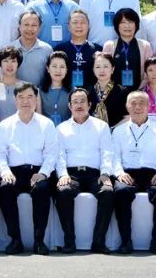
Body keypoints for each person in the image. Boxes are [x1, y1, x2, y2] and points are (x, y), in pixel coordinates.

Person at [0, 82, 58, 255]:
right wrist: (5, 172)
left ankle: (39, 241)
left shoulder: (46, 124)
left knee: (42, 189)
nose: (26, 101)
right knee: (5, 188)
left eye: (30, 96)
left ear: (36, 99)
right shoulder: (5, 125)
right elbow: (0, 155)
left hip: (38, 171)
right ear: (15, 100)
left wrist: (43, 173)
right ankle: (15, 240)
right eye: (21, 97)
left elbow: (51, 154)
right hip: (13, 172)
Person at [53, 88, 116, 254]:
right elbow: (59, 155)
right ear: (69, 106)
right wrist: (63, 175)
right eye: (75, 102)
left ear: (89, 104)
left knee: (107, 192)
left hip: (95, 174)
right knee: (63, 191)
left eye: (83, 101)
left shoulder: (101, 126)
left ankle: (98, 242)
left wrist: (105, 173)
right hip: (71, 174)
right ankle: (69, 242)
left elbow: (107, 152)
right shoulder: (61, 128)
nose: (79, 105)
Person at [111, 90, 156, 255]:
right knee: (121, 191)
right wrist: (119, 173)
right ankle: (125, 241)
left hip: (153, 174)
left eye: (141, 103)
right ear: (127, 106)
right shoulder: (118, 131)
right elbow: (114, 158)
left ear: (149, 106)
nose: (137, 107)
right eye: (133, 103)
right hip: (127, 173)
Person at [102, 7, 153, 89]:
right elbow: (104, 71)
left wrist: (139, 91)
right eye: (123, 22)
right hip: (114, 92)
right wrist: (112, 91)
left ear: (136, 25)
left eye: (130, 22)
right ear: (117, 25)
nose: (127, 26)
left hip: (139, 92)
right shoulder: (109, 45)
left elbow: (149, 71)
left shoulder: (145, 45)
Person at [55, 9, 102, 89]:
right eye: (75, 22)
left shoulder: (97, 49)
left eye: (82, 22)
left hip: (91, 93)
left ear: (88, 26)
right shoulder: (60, 49)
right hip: (66, 92)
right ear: (69, 27)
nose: (79, 26)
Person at [12, 11, 54, 86]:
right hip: (14, 92)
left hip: (40, 92)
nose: (30, 29)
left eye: (34, 25)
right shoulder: (10, 49)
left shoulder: (47, 50)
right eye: (26, 25)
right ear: (19, 27)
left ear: (39, 28)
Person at [88, 52, 130, 127]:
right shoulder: (88, 91)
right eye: (98, 67)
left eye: (105, 66)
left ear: (112, 69)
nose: (102, 70)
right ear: (93, 70)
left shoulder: (122, 91)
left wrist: (112, 130)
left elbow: (128, 116)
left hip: (116, 132)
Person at [0, 46, 24, 126]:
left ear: (18, 64)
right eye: (5, 61)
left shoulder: (25, 87)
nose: (9, 65)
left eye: (13, 61)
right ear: (0, 63)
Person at [40, 51, 73, 125]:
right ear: (48, 69)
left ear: (66, 70)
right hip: (47, 130)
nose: (58, 70)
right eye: (54, 66)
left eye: (62, 67)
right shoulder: (40, 91)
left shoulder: (73, 91)